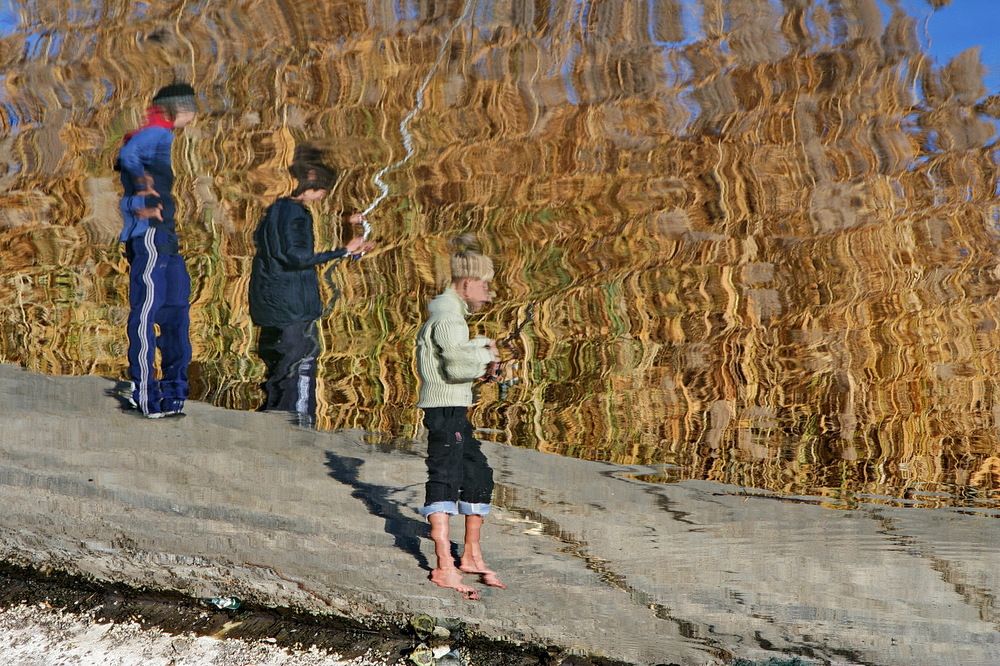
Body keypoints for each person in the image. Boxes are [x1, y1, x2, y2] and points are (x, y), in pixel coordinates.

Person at [248, 146, 374, 426]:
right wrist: (343, 251)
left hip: (269, 304)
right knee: (300, 364)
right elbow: (297, 257)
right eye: (323, 189)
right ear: (311, 186)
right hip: (292, 306)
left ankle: (272, 419)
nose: (324, 195)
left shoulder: (275, 210)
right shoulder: (296, 215)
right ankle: (297, 423)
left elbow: (272, 248)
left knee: (278, 368)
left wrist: (346, 227)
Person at [415, 235, 506, 600]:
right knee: (445, 477)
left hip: (455, 406)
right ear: (467, 283)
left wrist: (483, 355)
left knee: (478, 473)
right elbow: (454, 365)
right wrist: (486, 358)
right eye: (484, 285)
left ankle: (470, 555)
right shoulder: (449, 314)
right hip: (443, 409)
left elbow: (454, 361)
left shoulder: (452, 313)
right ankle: (443, 566)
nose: (488, 293)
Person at [116, 83, 197, 418]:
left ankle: (175, 393)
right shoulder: (156, 133)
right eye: (192, 107)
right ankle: (145, 393)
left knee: (177, 310)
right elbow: (128, 157)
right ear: (178, 108)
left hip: (166, 237)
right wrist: (144, 197)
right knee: (147, 312)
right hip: (148, 236)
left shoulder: (164, 137)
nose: (195, 113)